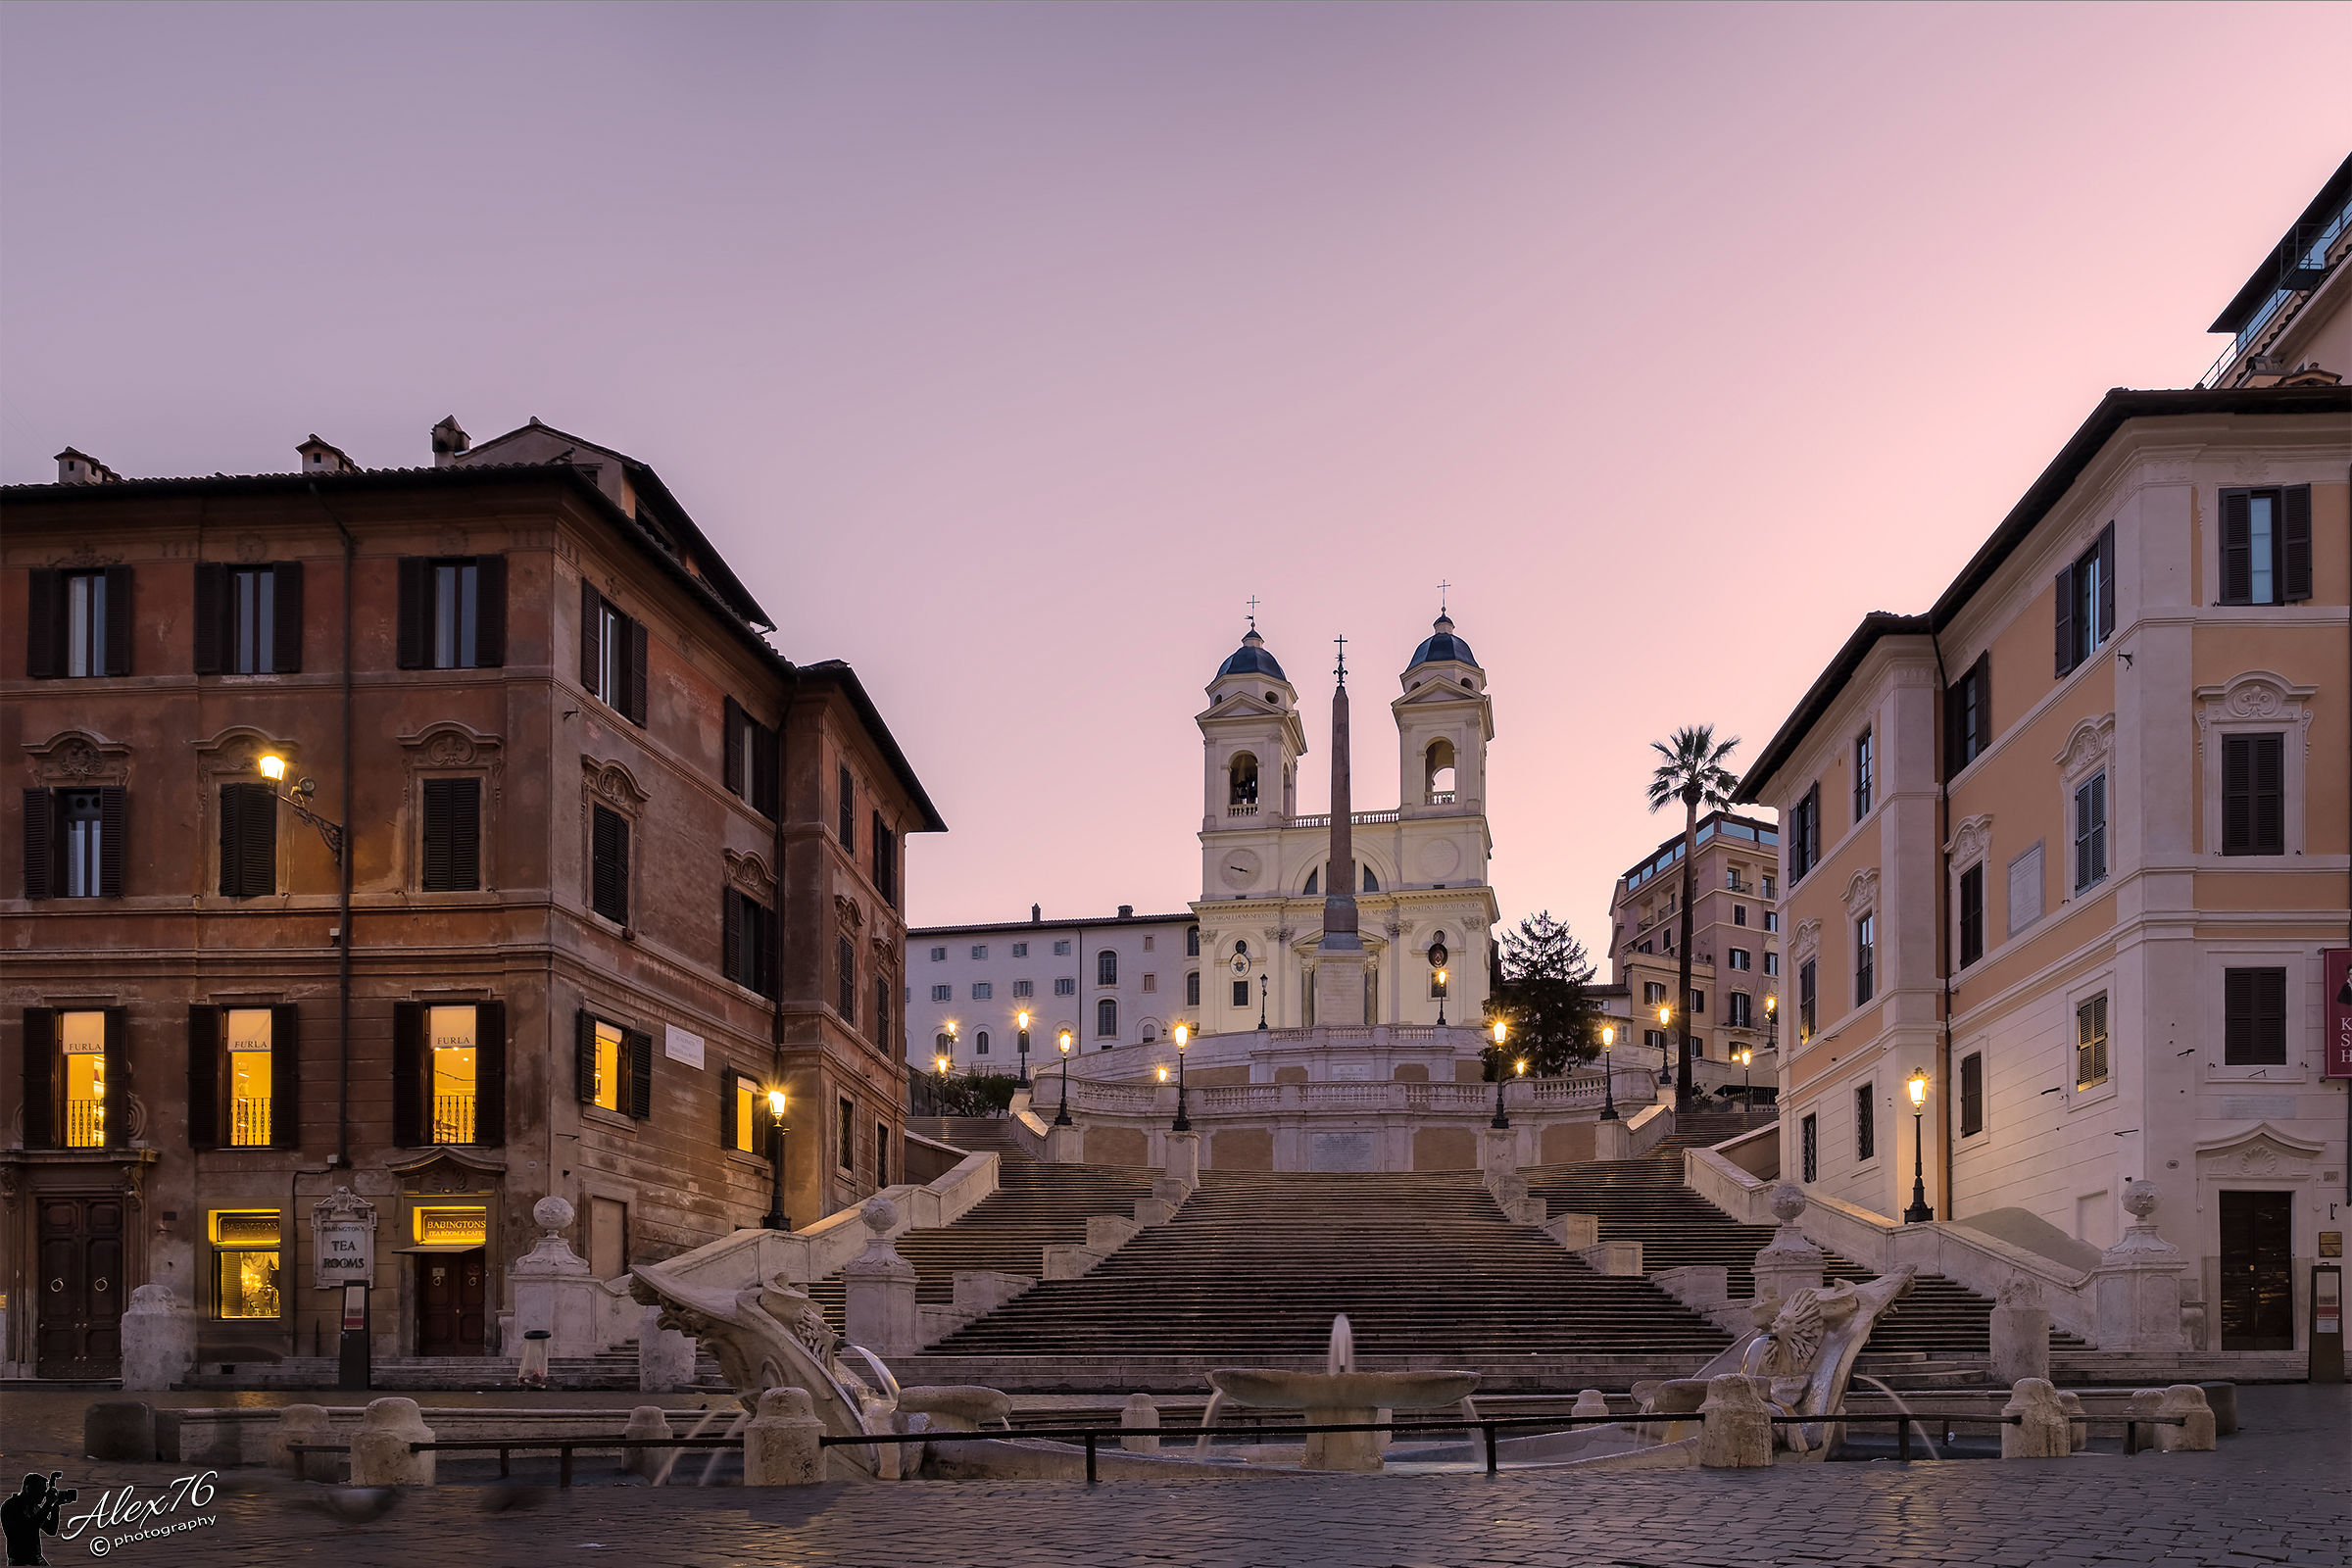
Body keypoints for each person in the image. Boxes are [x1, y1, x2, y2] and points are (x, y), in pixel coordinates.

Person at [1, 1472, 67, 1567]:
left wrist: (55, 1507)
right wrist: (48, 1504)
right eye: (40, 1491)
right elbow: (29, 1529)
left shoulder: (33, 1507)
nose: (44, 1495)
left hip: (35, 1559)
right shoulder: (11, 1506)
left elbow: (51, 1530)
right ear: (28, 1488)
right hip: (20, 1560)